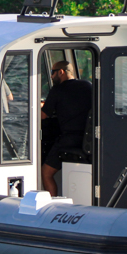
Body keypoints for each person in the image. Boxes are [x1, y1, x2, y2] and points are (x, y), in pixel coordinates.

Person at [41, 60, 92, 196]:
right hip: (88, 141)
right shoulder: (88, 85)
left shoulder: (57, 90)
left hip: (68, 140)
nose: (51, 76)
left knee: (46, 173)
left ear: (61, 72)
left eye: (52, 73)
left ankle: (50, 206)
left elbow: (43, 115)